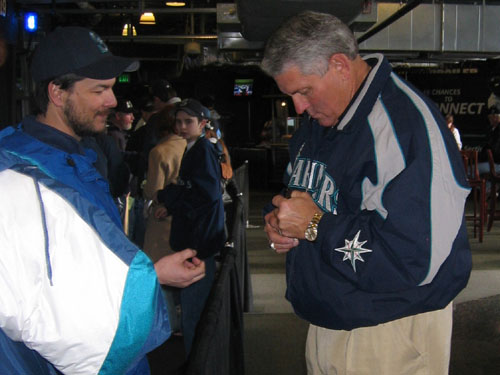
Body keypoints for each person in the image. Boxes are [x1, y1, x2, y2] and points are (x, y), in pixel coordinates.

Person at [261, 11, 471, 375]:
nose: (298, 107)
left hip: (390, 330)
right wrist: (280, 220)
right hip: (329, 318)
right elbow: (315, 195)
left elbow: (415, 261)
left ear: (340, 65)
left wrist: (314, 226)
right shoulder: (320, 121)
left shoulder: (405, 126)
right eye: (291, 94)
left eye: (304, 91)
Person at [0, 26, 205, 375]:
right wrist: (152, 277)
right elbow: (42, 309)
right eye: (100, 90)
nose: (112, 102)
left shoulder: (71, 158)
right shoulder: (20, 177)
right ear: (57, 93)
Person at [155, 98, 226, 356]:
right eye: (179, 121)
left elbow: (205, 195)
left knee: (193, 309)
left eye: (189, 121)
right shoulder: (196, 148)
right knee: (192, 307)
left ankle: (195, 362)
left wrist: (171, 198)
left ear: (203, 123)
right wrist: (172, 202)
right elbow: (195, 189)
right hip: (200, 237)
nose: (182, 126)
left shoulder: (202, 150)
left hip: (199, 239)